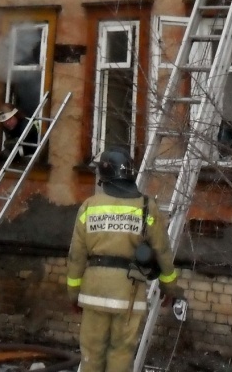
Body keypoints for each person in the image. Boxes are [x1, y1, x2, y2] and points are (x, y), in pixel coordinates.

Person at [66, 148, 183, 372]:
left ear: (104, 176)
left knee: (91, 354)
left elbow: (76, 256)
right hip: (129, 294)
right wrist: (170, 287)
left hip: (93, 293)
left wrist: (73, 294)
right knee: (121, 354)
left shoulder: (89, 207)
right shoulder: (146, 207)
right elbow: (163, 252)